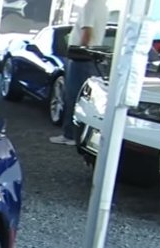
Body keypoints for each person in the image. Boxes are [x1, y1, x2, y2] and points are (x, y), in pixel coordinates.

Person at [50, 0, 109, 146]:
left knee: (73, 96)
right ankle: (81, 134)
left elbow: (87, 31)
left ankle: (69, 135)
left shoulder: (90, 5)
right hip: (92, 58)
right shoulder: (104, 7)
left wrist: (80, 51)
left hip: (80, 58)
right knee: (85, 98)